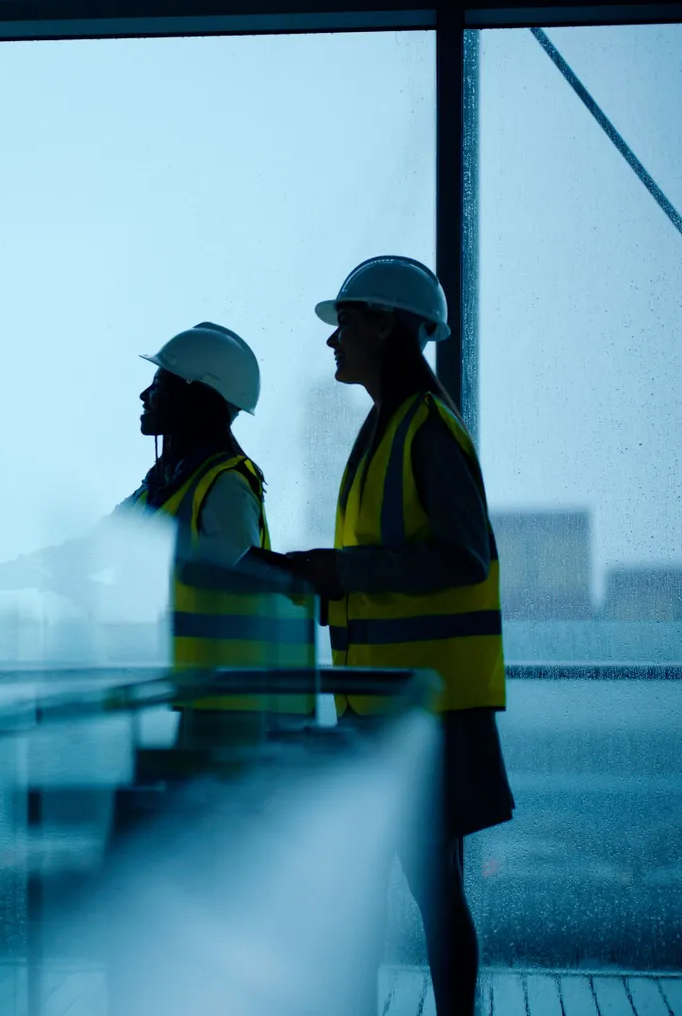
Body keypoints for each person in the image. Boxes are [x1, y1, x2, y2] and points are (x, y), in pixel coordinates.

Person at [281, 255, 513, 1016]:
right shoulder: (392, 427)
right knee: (397, 891)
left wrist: (341, 571)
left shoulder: (422, 429)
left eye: (344, 323)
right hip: (390, 709)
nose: (333, 341)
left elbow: (461, 555)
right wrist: (331, 576)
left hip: (424, 712)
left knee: (427, 892)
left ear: (386, 323)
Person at [0, 323, 314, 740]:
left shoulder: (224, 484)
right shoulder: (165, 485)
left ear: (197, 397)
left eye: (159, 384)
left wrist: (95, 595)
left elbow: (226, 588)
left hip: (233, 709)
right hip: (191, 698)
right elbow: (80, 554)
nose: (144, 396)